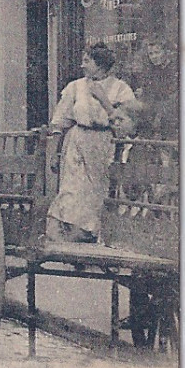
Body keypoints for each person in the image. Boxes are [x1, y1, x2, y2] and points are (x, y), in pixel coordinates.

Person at [44, 42, 137, 243]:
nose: (82, 65)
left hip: (104, 143)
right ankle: (67, 236)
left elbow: (126, 126)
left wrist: (105, 102)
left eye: (87, 61)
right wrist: (55, 150)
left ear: (100, 64)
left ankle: (91, 235)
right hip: (77, 141)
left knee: (97, 191)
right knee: (72, 188)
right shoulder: (75, 87)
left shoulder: (120, 89)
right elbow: (61, 119)